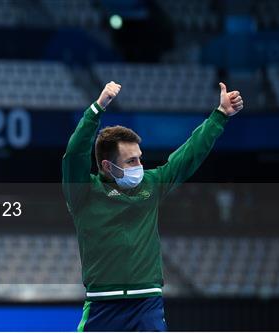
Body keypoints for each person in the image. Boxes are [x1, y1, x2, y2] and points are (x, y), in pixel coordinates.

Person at [62, 81, 244, 331]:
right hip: (103, 306)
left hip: (146, 304)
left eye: (140, 158)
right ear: (107, 166)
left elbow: (188, 155)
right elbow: (74, 154)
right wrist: (97, 108)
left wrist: (220, 115)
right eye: (131, 160)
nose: (139, 165)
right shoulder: (83, 193)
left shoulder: (151, 184)